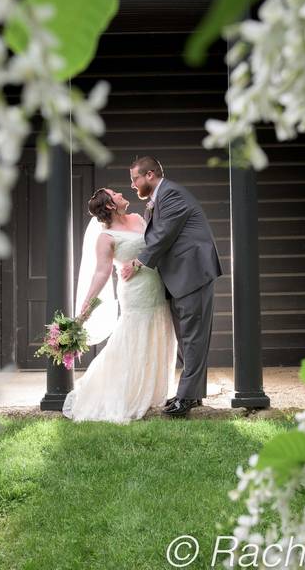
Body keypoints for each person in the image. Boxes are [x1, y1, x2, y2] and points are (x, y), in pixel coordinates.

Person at [61, 187, 177, 424]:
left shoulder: (137, 218)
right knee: (133, 340)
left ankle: (154, 392)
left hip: (157, 286)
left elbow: (156, 245)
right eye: (115, 194)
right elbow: (101, 273)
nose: (121, 193)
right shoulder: (106, 237)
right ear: (111, 206)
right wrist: (86, 307)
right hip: (135, 294)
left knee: (158, 336)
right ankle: (123, 392)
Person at [119, 156, 222, 418]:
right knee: (187, 338)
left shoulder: (172, 194)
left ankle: (187, 398)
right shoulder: (158, 200)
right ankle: (192, 394)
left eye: (135, 179)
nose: (132, 185)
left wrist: (138, 262)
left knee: (193, 336)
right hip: (179, 279)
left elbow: (164, 234)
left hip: (193, 274)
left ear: (150, 175)